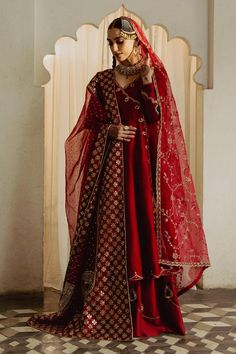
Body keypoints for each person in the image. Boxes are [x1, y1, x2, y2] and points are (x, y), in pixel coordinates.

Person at [28, 16, 210, 340]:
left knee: (142, 232)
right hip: (110, 173)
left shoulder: (152, 76)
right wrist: (110, 130)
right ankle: (102, 308)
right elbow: (85, 129)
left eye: (119, 41)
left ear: (136, 41)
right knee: (109, 234)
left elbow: (162, 124)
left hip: (141, 171)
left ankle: (147, 310)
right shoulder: (100, 82)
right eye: (110, 42)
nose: (114, 48)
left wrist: (151, 85)